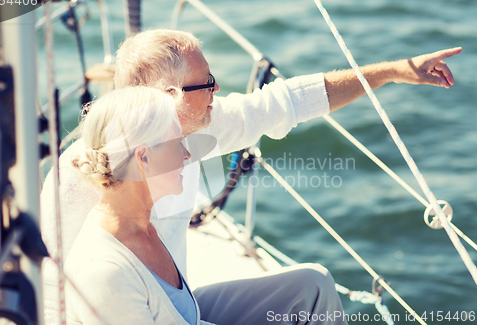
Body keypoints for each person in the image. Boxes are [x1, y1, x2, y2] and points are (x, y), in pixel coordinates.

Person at [41, 29, 461, 325]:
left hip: (182, 308)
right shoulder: (79, 180)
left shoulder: (197, 124)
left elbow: (286, 103)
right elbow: (48, 291)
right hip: (126, 311)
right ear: (166, 97)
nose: (217, 90)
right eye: (206, 83)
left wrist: (393, 71)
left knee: (312, 287)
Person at [64, 86, 214, 324]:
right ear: (143, 157)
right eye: (177, 142)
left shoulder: (144, 226)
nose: (187, 154)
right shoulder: (105, 274)